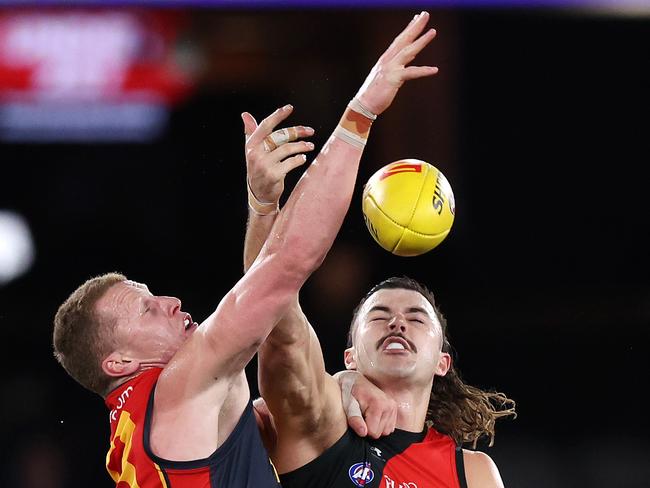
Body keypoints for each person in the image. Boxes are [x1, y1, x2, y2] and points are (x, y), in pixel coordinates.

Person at [51, 11, 436, 488]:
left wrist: (344, 383)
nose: (170, 302)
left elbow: (283, 362)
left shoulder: (147, 427)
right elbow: (285, 269)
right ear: (120, 364)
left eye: (155, 296)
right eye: (147, 310)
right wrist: (360, 114)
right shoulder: (179, 388)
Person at [243, 12, 517, 488]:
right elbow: (273, 312)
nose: (398, 321)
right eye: (379, 315)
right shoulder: (317, 426)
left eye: (417, 317)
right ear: (350, 357)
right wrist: (264, 204)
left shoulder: (472, 472)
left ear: (442, 361)